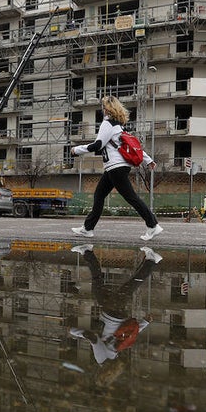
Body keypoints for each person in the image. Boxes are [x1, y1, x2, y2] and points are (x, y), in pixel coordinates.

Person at [71, 95, 163, 241]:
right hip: (116, 168)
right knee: (99, 195)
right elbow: (133, 146)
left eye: (102, 107)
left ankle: (152, 225)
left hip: (116, 168)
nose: (102, 110)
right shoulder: (119, 126)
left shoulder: (107, 124)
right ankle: (87, 229)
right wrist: (148, 160)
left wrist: (77, 150)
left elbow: (98, 145)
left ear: (106, 109)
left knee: (131, 197)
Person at [69, 244, 162, 377]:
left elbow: (125, 334)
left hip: (116, 314)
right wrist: (73, 332)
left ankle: (87, 252)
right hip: (111, 313)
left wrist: (145, 322)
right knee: (127, 286)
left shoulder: (113, 357)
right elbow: (93, 338)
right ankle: (151, 261)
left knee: (102, 285)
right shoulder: (101, 359)